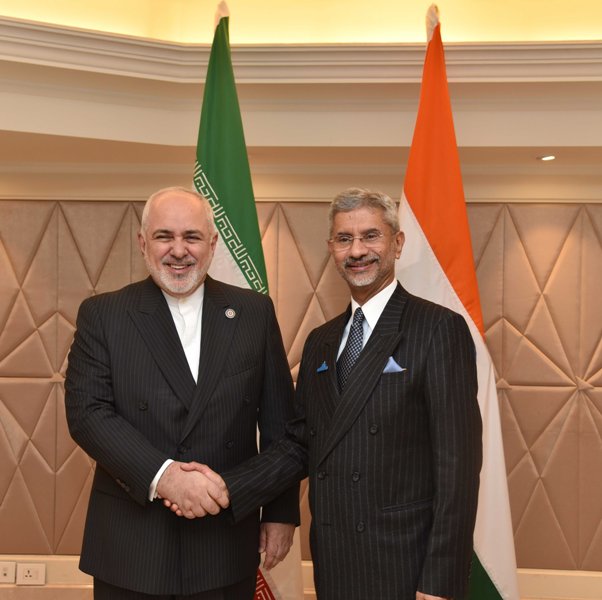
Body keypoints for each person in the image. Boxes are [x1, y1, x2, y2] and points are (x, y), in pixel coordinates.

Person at [178, 187, 483, 600]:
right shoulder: (321, 341)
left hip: (407, 566)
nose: (356, 251)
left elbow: (457, 467)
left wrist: (441, 581)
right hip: (336, 559)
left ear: (397, 243)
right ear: (331, 249)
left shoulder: (437, 329)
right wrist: (228, 487)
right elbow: (299, 443)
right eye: (344, 239)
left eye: (370, 236)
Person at [64, 186, 299, 599]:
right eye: (164, 237)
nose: (178, 250)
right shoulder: (103, 314)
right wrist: (166, 477)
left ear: (212, 244)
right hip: (131, 544)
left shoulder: (254, 312)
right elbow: (88, 414)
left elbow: (283, 427)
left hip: (224, 539)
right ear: (143, 243)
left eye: (191, 237)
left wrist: (280, 512)